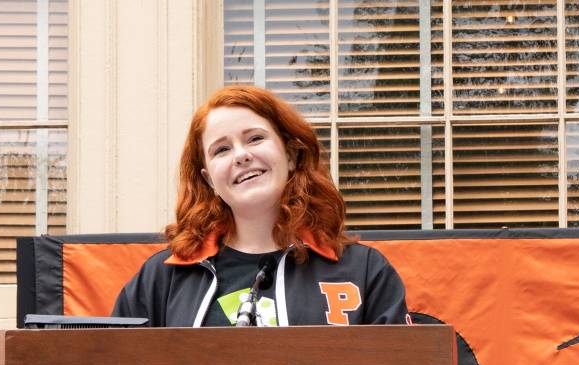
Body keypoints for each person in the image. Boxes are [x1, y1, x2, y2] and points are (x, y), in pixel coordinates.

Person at [112, 85, 408, 327]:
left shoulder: (365, 270)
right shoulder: (162, 277)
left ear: (291, 156)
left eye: (255, 138)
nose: (241, 156)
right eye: (222, 149)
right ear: (209, 179)